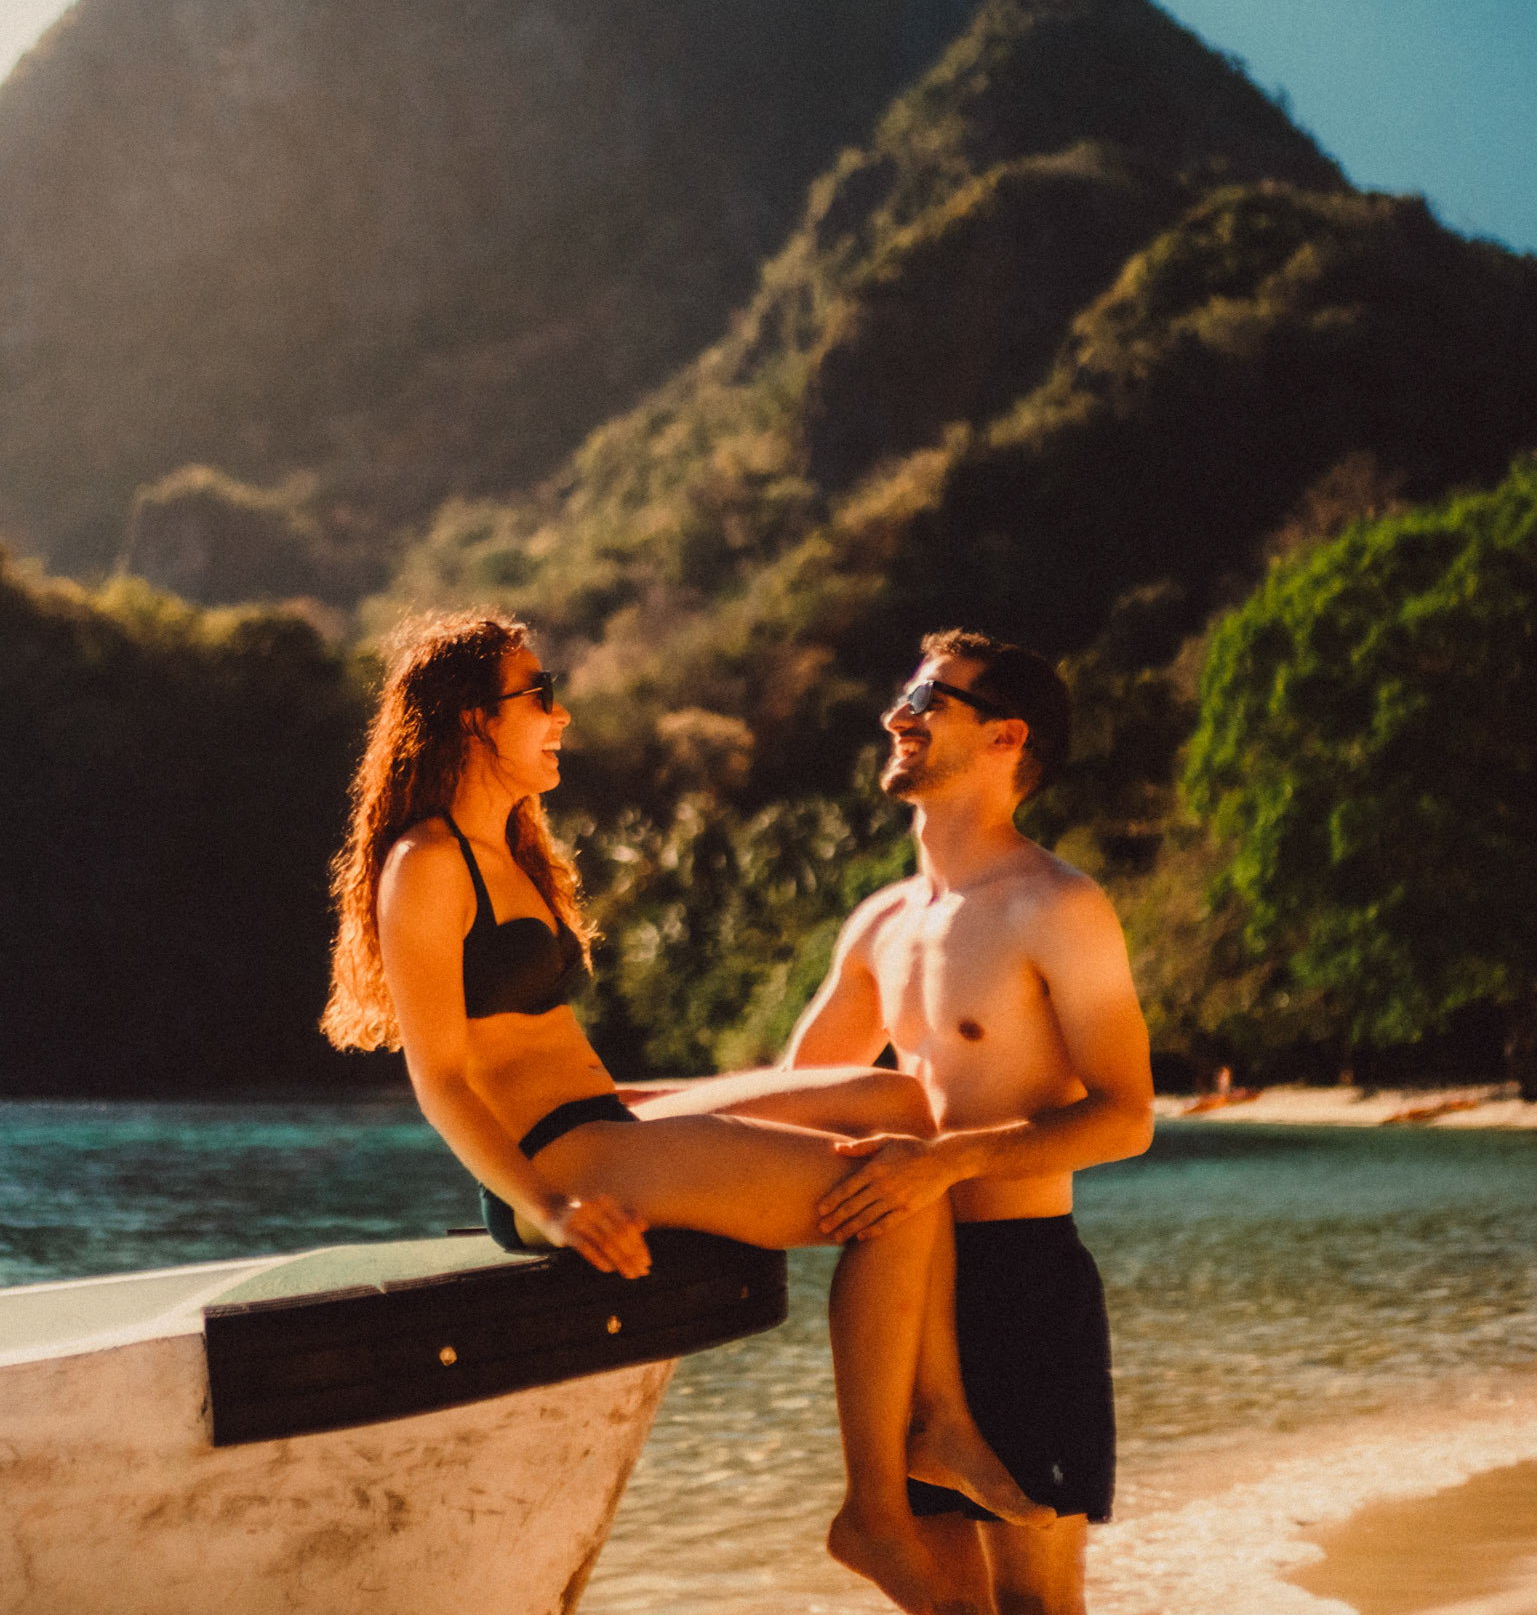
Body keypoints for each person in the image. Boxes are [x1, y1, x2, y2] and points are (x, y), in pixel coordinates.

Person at [320, 610, 1049, 1615]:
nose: (561, 710)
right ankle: (876, 1508)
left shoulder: (511, 850)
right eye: (539, 692)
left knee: (897, 1102)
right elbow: (441, 1076)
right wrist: (552, 1204)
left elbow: (541, 1042)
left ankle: (936, 1416)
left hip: (601, 1119)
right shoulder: (427, 862)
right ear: (471, 721)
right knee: (890, 1180)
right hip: (552, 1164)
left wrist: (670, 1108)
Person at [784, 628, 1155, 1615]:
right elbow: (794, 1097)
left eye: (928, 697)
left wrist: (941, 1162)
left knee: (1037, 1601)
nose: (896, 714)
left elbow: (1125, 1118)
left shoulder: (1057, 906)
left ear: (1005, 737)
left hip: (1017, 1274)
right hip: (900, 1285)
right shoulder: (880, 921)